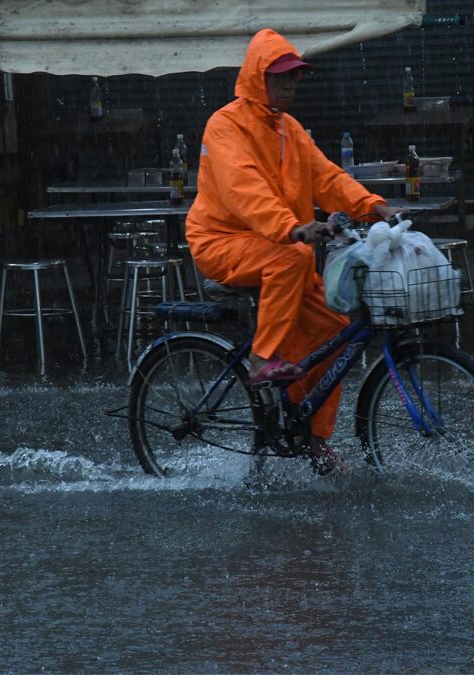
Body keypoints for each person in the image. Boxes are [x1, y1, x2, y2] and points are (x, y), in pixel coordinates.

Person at [185, 28, 396, 474]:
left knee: (336, 332)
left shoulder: (290, 129)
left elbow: (327, 177)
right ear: (256, 78)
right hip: (221, 242)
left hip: (276, 241)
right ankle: (264, 359)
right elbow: (244, 189)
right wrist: (292, 228)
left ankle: (310, 436)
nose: (289, 85)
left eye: (295, 77)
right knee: (293, 257)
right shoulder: (225, 125)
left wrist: (373, 207)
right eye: (279, 77)